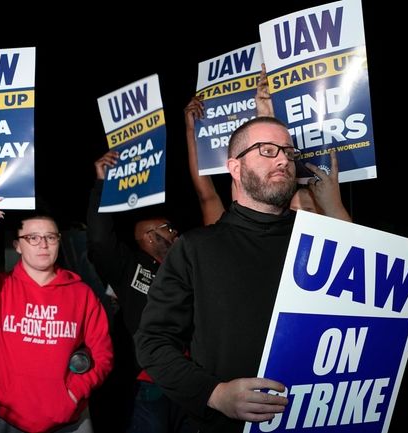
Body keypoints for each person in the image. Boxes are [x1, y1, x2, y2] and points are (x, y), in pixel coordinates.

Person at [136, 116, 350, 432]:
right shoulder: (196, 249)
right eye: (267, 150)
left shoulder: (321, 239)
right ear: (235, 168)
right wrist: (214, 394)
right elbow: (153, 343)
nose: (283, 159)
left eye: (288, 152)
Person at [0, 182, 113, 433]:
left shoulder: (82, 294)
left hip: (70, 420)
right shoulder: (1, 287)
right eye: (32, 238)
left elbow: (102, 356)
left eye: (51, 237)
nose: (43, 244)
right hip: (5, 418)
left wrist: (73, 393)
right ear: (17, 245)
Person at [87, 150, 191, 433]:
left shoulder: (185, 267)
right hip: (150, 384)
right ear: (148, 236)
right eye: (168, 228)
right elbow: (99, 239)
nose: (175, 233)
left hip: (192, 382)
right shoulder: (128, 267)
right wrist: (102, 186)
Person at [184, 65, 351, 226]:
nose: (299, 216)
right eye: (295, 210)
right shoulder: (228, 235)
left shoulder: (320, 246)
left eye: (308, 210)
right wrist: (193, 130)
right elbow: (210, 196)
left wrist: (334, 207)